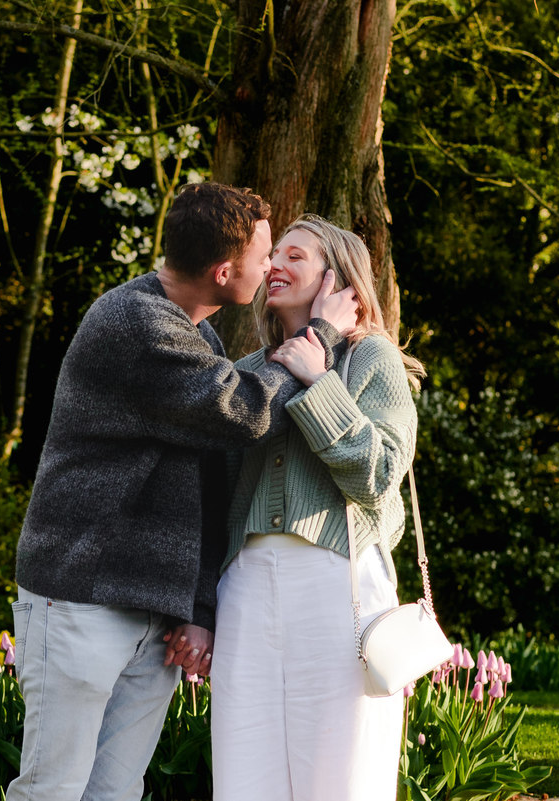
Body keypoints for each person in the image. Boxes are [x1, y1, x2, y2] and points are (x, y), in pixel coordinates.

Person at [6, 184, 359, 801]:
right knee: (52, 790)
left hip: (147, 609)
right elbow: (245, 411)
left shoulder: (198, 338)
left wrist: (197, 608)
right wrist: (322, 337)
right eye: (264, 253)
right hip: (83, 598)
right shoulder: (136, 324)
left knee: (114, 792)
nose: (272, 263)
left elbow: (206, 485)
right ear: (225, 272)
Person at [209, 214, 427, 801]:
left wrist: (319, 382)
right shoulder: (248, 374)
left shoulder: (373, 361)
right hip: (247, 587)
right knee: (242, 770)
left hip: (339, 583)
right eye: (273, 254)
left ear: (337, 278)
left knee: (344, 773)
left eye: (295, 256)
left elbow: (378, 478)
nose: (275, 264)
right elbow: (217, 499)